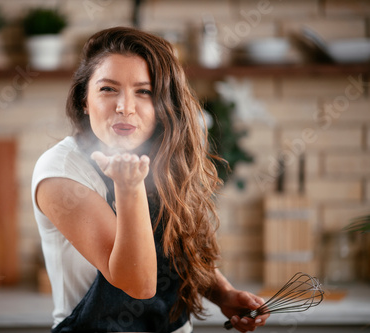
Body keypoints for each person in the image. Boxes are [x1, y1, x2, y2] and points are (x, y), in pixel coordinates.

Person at [32, 26, 269, 333]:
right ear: (84, 100)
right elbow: (137, 284)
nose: (124, 107)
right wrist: (129, 189)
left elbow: (177, 246)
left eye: (144, 92)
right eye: (108, 89)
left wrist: (222, 292)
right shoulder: (61, 172)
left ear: (162, 107)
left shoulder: (161, 158)